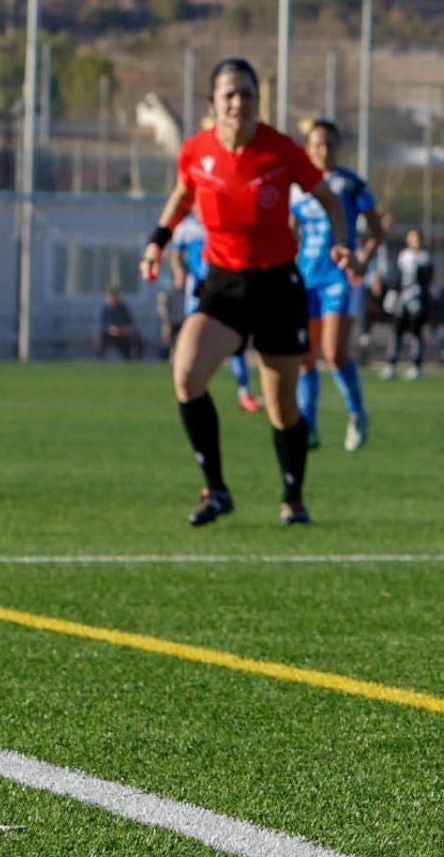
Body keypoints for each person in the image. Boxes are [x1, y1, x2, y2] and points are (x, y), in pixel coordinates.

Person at [139, 57, 355, 526]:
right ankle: (215, 490)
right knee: (186, 374)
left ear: (259, 101)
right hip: (223, 284)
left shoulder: (280, 149)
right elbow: (183, 194)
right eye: (230, 94)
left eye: (247, 94)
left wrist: (341, 243)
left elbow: (330, 200)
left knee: (281, 406)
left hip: (278, 284)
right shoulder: (196, 150)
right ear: (212, 102)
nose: (239, 102)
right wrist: (157, 241)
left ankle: (293, 499)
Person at [291, 120, 385, 451]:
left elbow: (376, 230)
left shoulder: (350, 184)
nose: (324, 150)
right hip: (305, 278)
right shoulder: (296, 188)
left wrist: (361, 260)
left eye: (330, 144)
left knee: (333, 353)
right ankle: (308, 426)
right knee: (304, 356)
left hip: (339, 278)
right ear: (306, 148)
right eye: (318, 144)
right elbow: (290, 234)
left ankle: (357, 413)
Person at [171, 208, 261, 410]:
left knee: (234, 338)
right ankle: (196, 387)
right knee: (193, 339)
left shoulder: (220, 221)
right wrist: (178, 272)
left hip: (223, 286)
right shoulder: (185, 228)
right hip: (196, 288)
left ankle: (244, 391)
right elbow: (175, 255)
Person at [382, 228, 433, 381]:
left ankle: (416, 366)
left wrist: (418, 294)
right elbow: (397, 276)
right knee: (397, 331)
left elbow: (427, 280)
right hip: (401, 300)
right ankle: (391, 364)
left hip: (416, 301)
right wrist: (393, 292)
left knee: (416, 333)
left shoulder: (426, 257)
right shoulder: (404, 256)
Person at [94, 288, 141, 359]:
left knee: (134, 337)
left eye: (113, 296)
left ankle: (131, 360)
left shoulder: (123, 308)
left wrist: (124, 329)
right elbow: (101, 324)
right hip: (109, 335)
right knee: (100, 337)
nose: (112, 299)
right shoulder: (104, 309)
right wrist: (110, 329)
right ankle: (99, 359)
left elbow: (129, 321)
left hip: (122, 335)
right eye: (110, 297)